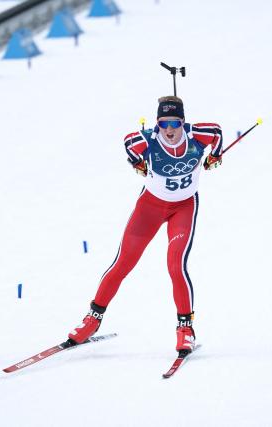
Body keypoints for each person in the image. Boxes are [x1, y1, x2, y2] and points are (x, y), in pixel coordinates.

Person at [68, 95, 223, 353]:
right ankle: (92, 320)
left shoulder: (197, 135)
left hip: (183, 208)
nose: (170, 130)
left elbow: (217, 132)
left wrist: (215, 156)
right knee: (122, 263)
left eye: (175, 123)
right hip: (149, 208)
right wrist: (137, 163)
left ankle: (185, 328)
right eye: (164, 124)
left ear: (183, 122)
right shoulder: (146, 140)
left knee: (175, 265)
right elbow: (128, 143)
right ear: (157, 124)